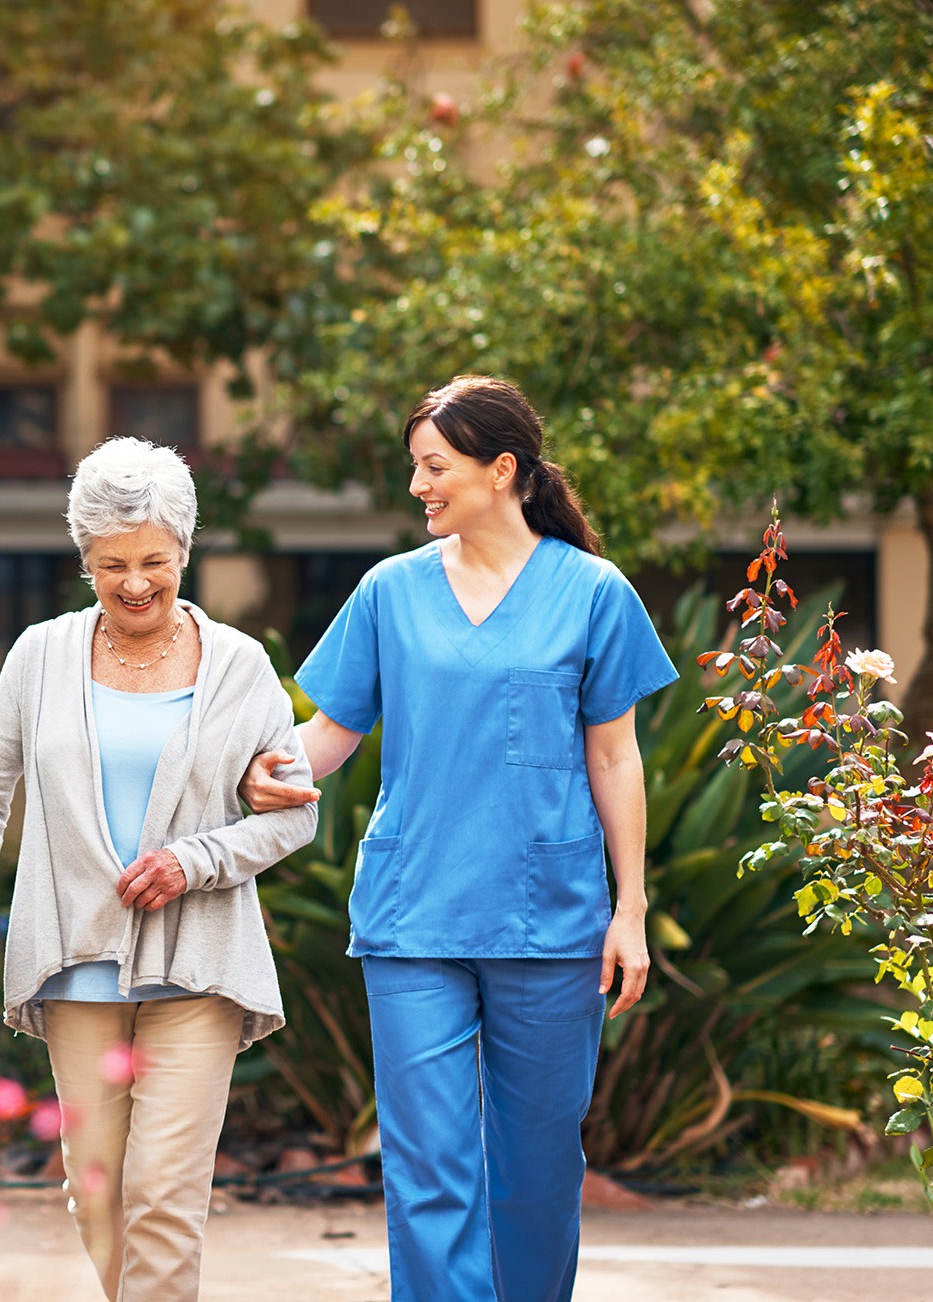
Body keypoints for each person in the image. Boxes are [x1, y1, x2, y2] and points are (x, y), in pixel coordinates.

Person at [239, 375, 678, 1300]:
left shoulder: (592, 592)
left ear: (502, 470)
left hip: (550, 921)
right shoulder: (388, 592)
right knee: (429, 1173)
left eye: (434, 467)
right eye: (415, 469)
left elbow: (616, 761)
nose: (418, 488)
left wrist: (630, 909)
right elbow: (327, 735)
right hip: (414, 917)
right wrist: (253, 775)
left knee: (538, 1174)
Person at [0, 437, 316, 1302]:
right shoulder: (40, 656)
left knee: (165, 1197)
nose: (135, 582)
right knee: (99, 1193)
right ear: (85, 561)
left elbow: (297, 818)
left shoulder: (240, 666)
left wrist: (197, 861)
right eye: (111, 564)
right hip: (76, 965)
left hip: (199, 965)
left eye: (153, 560)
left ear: (184, 550)